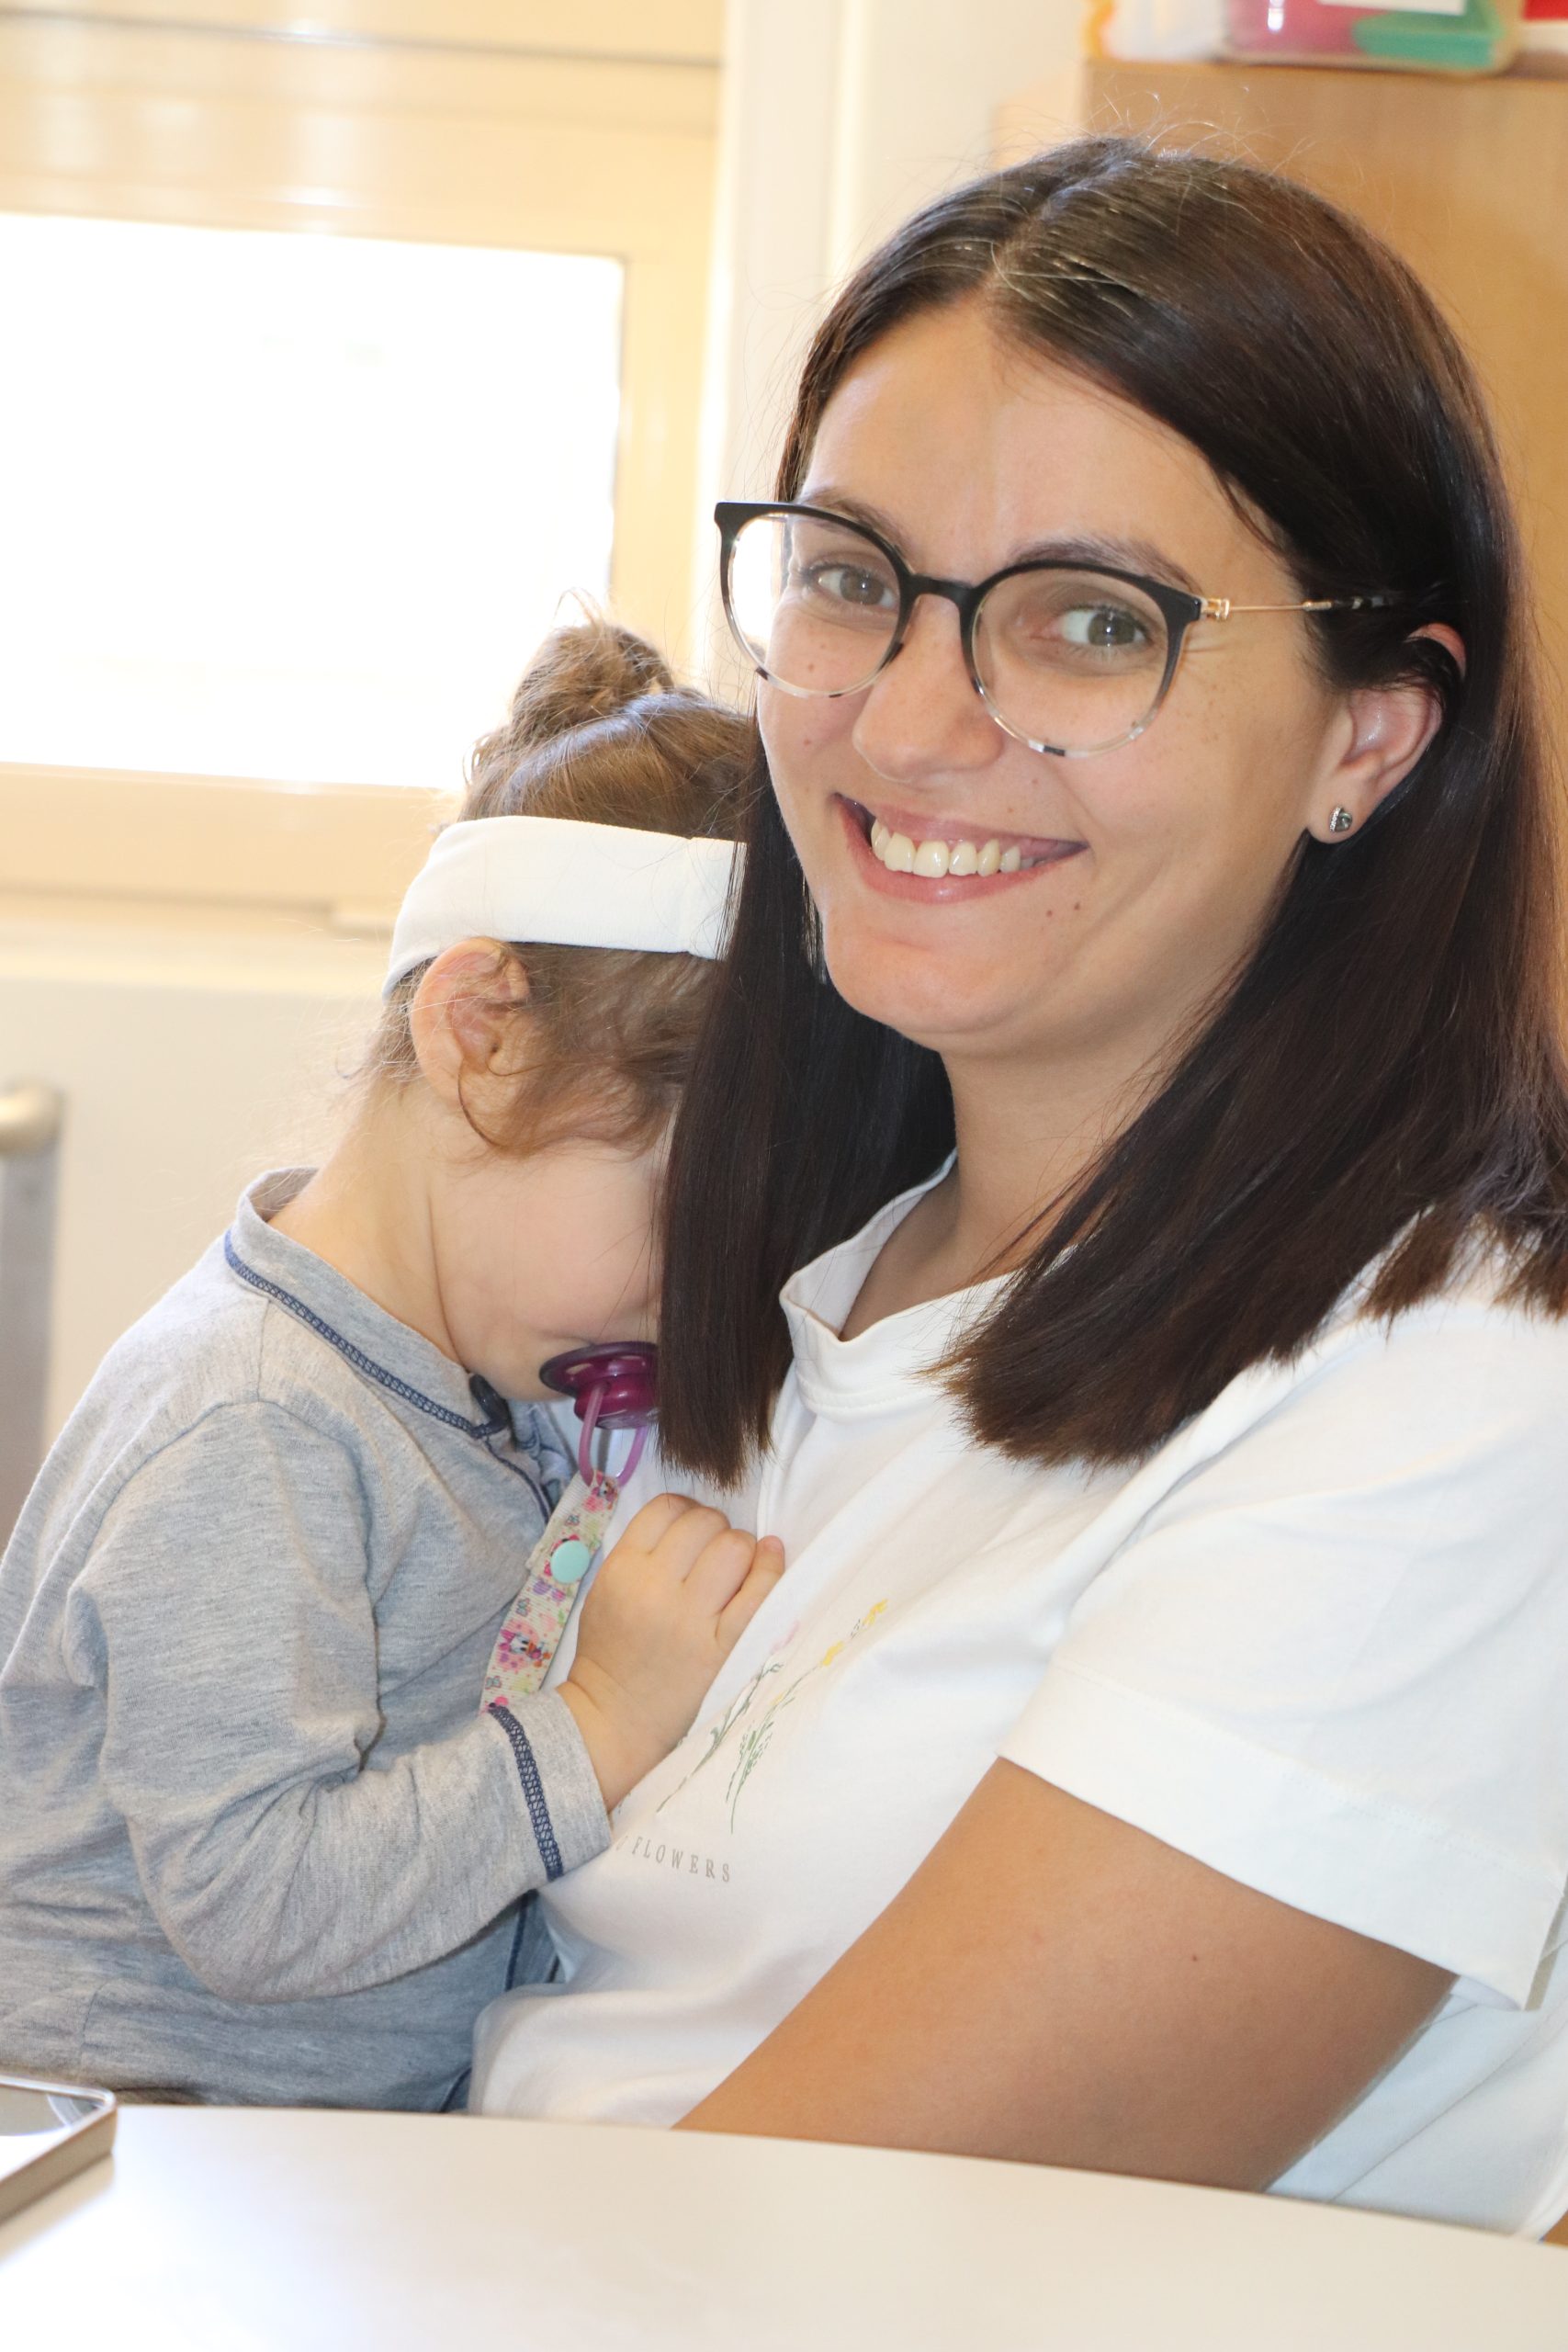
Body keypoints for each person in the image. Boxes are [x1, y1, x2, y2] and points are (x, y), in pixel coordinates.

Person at [470, 139, 1568, 2237]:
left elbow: (820, 2250)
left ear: (1370, 736)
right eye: (849, 578)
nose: (905, 723)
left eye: (1089, 623)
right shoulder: (811, 1271)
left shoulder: (1450, 1396)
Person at [0, 617, 780, 2109]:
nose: (687, 1310)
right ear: (479, 1033)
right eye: (678, 1223)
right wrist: (597, 1728)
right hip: (151, 2152)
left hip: (309, 2152)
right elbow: (254, 1904)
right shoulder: (254, 1421)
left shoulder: (465, 1374)